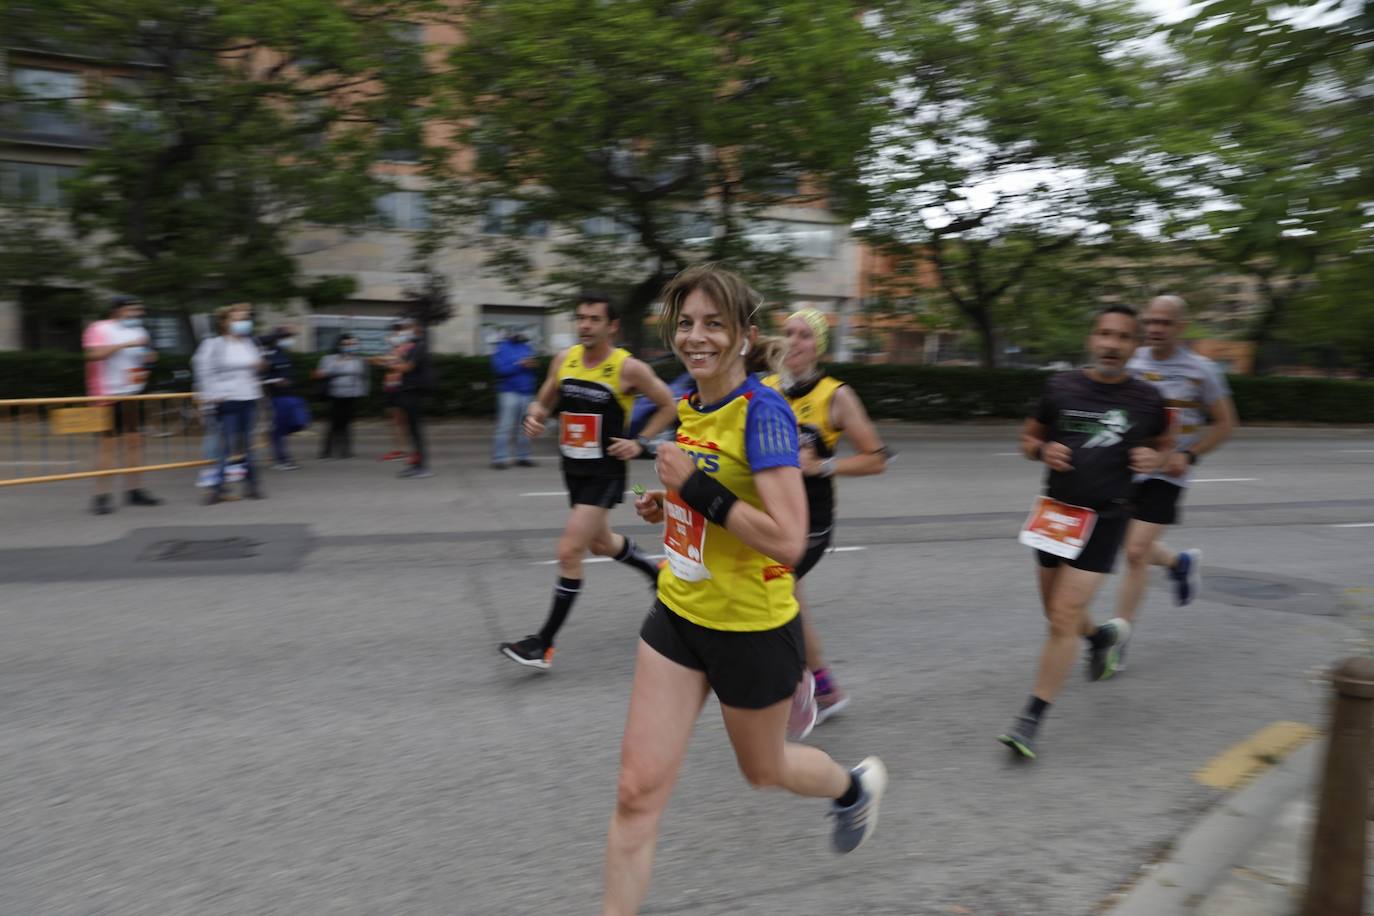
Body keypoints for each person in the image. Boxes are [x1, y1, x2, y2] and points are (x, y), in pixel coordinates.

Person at [602, 266, 887, 916]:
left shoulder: (766, 413)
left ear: (743, 335)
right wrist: (668, 501)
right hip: (679, 614)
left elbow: (790, 540)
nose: (695, 337)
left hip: (752, 630)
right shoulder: (693, 406)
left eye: (712, 324)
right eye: (685, 324)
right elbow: (706, 494)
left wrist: (697, 488)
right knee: (634, 792)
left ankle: (851, 788)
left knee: (765, 771)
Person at [997, 305, 1171, 760]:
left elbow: (1167, 448)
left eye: (1123, 338)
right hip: (1056, 514)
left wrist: (1155, 460)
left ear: (1135, 346)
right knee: (1056, 614)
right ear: (1092, 338)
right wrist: (1042, 451)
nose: (1112, 345)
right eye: (1104, 335)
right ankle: (1101, 638)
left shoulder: (1148, 400)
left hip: (1107, 517)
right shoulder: (1061, 386)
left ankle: (1031, 719)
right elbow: (1027, 439)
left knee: (1062, 617)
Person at [498, 294, 677, 670]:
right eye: (580, 318)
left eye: (594, 319)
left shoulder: (627, 368)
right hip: (573, 469)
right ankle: (655, 571)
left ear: (611, 326)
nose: (584, 325)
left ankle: (542, 644)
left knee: (569, 551)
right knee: (600, 542)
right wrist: (534, 415)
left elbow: (668, 405)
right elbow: (543, 400)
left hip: (605, 472)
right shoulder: (565, 360)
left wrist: (641, 442)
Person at [762, 307, 889, 729]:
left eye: (803, 335)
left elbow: (876, 459)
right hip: (769, 511)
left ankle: (796, 684)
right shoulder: (764, 389)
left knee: (774, 584)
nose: (794, 342)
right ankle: (822, 686)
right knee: (784, 591)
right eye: (788, 333)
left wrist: (824, 467)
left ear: (818, 346)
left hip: (810, 521)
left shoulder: (835, 396)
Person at [1112, 295, 1238, 669]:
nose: (1154, 329)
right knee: (1126, 541)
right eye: (1149, 321)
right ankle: (1179, 563)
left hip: (1169, 474)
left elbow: (1226, 424)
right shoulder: (1131, 362)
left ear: (1182, 327)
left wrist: (1189, 455)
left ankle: (1117, 642)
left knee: (1134, 551)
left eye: (1164, 323)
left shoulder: (1203, 370)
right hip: (1128, 467)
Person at [83, 294, 162, 514]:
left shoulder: (140, 331)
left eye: (139, 311)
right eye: (133, 310)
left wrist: (149, 358)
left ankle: (135, 490)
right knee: (107, 448)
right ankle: (101, 496)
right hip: (106, 396)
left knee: (135, 443)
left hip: (133, 394)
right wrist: (125, 344)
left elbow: (147, 356)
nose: (138, 314)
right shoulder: (99, 328)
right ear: (118, 310)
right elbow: (93, 355)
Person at [193, 304, 267, 504]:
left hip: (249, 398)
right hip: (226, 400)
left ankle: (252, 485)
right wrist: (208, 397)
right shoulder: (214, 344)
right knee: (225, 446)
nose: (242, 322)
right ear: (225, 322)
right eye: (237, 319)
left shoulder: (250, 343)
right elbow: (204, 372)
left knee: (248, 446)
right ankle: (216, 488)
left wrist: (260, 365)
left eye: (245, 318)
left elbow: (258, 368)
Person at [387, 317, 435, 478]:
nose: (403, 331)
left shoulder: (420, 346)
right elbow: (404, 362)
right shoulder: (414, 347)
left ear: (416, 330)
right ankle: (416, 464)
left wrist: (389, 365)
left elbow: (407, 367)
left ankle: (421, 467)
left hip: (413, 392)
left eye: (407, 328)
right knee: (412, 430)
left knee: (415, 431)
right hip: (408, 391)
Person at [314, 334, 370, 459]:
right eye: (346, 344)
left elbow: (363, 376)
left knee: (347, 423)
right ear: (339, 345)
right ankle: (326, 451)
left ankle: (346, 450)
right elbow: (319, 374)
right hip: (335, 394)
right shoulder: (329, 358)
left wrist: (363, 391)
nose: (349, 347)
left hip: (352, 394)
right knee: (334, 423)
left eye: (351, 344)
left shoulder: (358, 360)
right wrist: (337, 365)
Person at [489, 330, 538, 469]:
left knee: (525, 427)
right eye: (516, 333)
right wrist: (519, 365)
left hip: (527, 391)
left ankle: (523, 456)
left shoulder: (526, 347)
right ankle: (499, 458)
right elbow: (499, 370)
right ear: (509, 335)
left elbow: (532, 366)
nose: (520, 335)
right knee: (504, 427)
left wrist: (531, 364)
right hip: (509, 392)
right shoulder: (501, 348)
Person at [262, 326, 305, 471]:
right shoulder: (269, 354)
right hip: (276, 397)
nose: (289, 340)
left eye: (289, 337)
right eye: (286, 337)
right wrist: (275, 381)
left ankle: (282, 457)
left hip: (288, 395)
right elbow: (262, 377)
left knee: (295, 424)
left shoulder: (283, 353)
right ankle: (281, 459)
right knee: (278, 429)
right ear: (277, 338)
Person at [373, 321, 410, 462]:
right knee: (395, 421)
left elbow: (400, 364)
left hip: (403, 388)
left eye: (396, 333)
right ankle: (400, 450)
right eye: (392, 333)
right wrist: (380, 361)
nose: (392, 336)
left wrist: (385, 360)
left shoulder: (408, 348)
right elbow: (384, 363)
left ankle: (403, 450)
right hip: (391, 387)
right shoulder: (391, 349)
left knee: (401, 420)